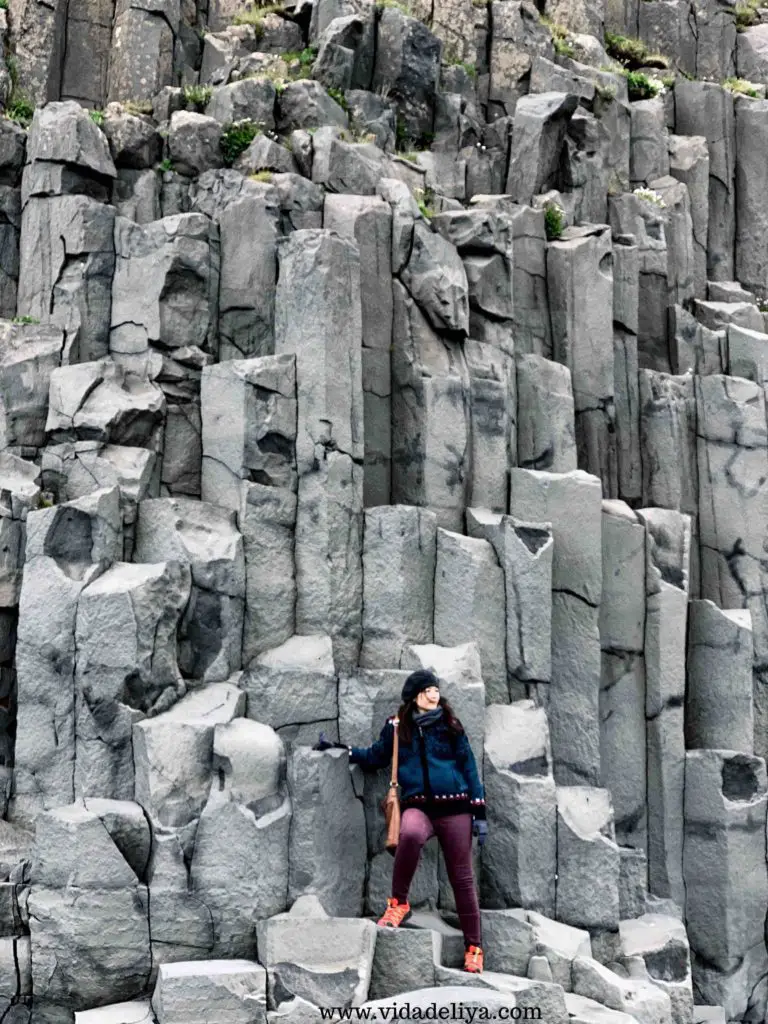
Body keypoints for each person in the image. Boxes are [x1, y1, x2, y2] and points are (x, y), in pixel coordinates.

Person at [314, 668, 488, 974]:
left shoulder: (450, 725)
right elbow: (377, 756)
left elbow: (469, 767)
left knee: (462, 878)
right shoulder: (396, 728)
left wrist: (479, 811)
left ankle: (474, 948)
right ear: (415, 697)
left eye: (436, 689)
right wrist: (343, 751)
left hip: (455, 809)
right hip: (418, 806)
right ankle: (399, 903)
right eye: (428, 690)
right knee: (409, 833)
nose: (435, 694)